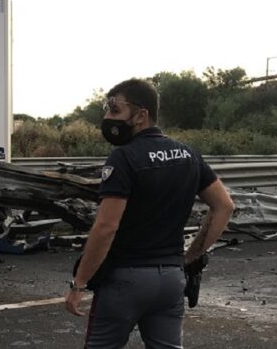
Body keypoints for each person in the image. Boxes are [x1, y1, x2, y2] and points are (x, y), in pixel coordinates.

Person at [64, 78, 234, 348]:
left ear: (141, 115)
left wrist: (79, 283)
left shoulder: (124, 157)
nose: (108, 117)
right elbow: (224, 206)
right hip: (171, 278)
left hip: (124, 279)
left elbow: (106, 227)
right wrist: (193, 255)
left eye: (115, 110)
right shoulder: (189, 154)